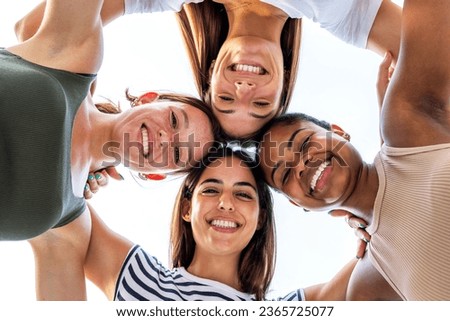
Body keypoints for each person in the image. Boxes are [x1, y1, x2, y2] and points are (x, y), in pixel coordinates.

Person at [1, 0, 218, 299]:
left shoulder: (69, 227)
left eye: (178, 153)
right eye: (172, 120)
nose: (164, 138)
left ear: (153, 175)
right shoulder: (77, 57)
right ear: (147, 98)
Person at [258, 0, 450, 300]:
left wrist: (399, 104)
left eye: (304, 143)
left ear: (339, 132)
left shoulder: (404, 127)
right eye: (285, 174)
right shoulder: (368, 284)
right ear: (300, 205)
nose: (300, 165)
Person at [18, 0, 401, 139]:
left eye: (225, 97)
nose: (245, 88)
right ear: (284, 86)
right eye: (261, 105)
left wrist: (86, 123)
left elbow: (36, 31)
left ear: (212, 68)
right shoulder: (342, 11)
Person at [81, 146, 358, 300]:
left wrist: (366, 220)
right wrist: (88, 168)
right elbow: (60, 203)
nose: (226, 203)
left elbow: (384, 252)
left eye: (242, 194)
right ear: (187, 209)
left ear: (261, 217)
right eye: (211, 190)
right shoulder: (140, 280)